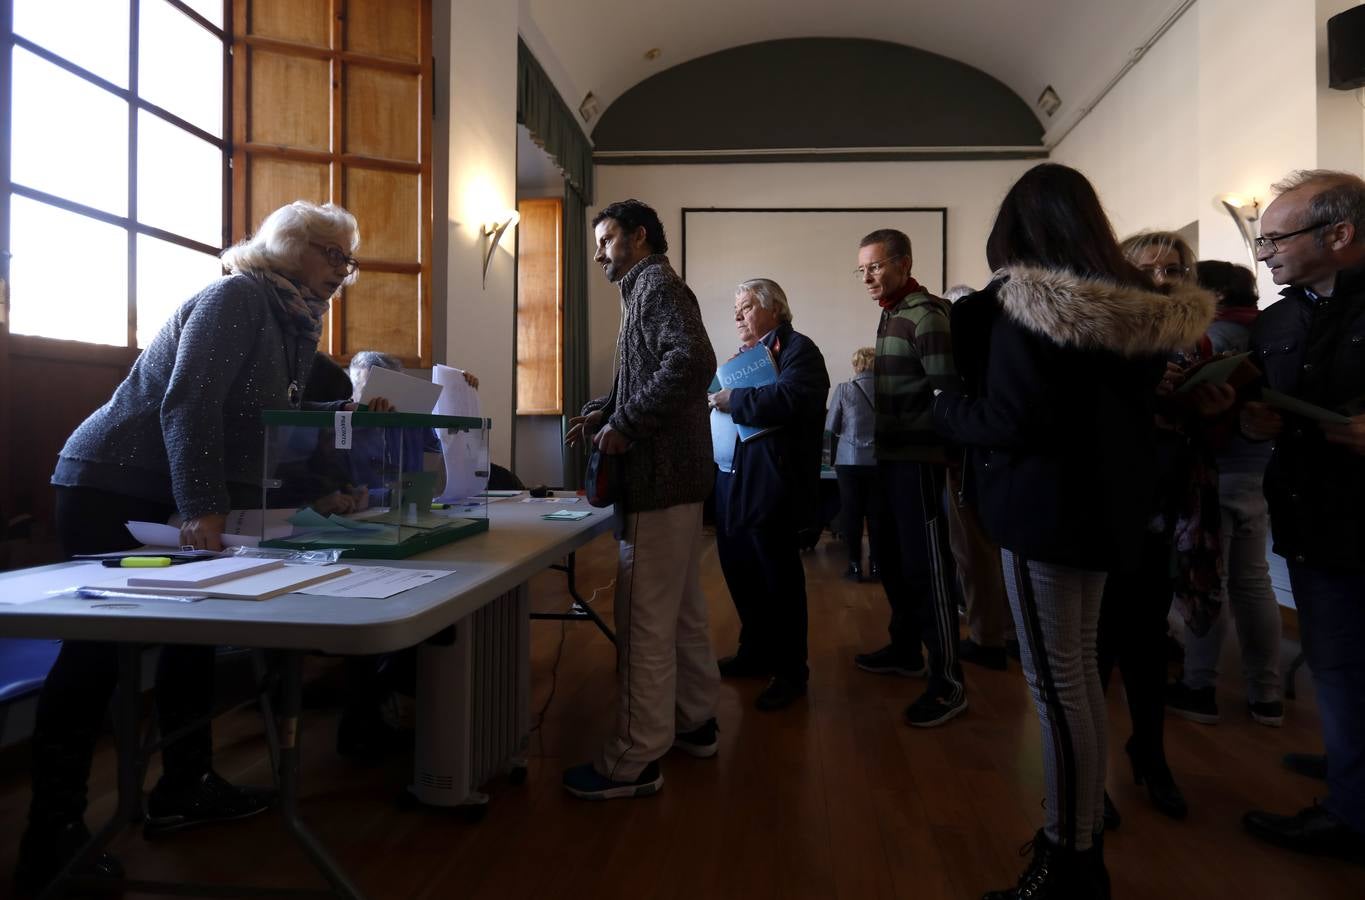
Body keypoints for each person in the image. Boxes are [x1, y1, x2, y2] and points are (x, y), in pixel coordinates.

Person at [16, 201, 373, 893]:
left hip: (172, 490)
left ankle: (185, 786)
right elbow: (190, 404)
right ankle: (49, 835)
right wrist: (203, 506)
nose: (342, 271)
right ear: (290, 245)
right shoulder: (238, 295)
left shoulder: (295, 320)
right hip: (114, 485)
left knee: (193, 641)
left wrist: (343, 422)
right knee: (94, 652)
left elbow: (268, 420)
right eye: (332, 254)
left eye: (347, 261)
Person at [933, 163, 1213, 898]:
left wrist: (943, 408)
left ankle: (1070, 860)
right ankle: (1078, 842)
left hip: (1043, 510)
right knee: (1079, 678)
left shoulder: (1024, 308)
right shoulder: (1134, 313)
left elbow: (1011, 421)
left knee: (1059, 685)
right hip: (1109, 509)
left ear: (1016, 233)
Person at [561, 199, 719, 800]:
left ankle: (633, 759)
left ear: (640, 237)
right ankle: (694, 721)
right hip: (675, 482)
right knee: (680, 613)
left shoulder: (655, 286)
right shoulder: (649, 289)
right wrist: (607, 408)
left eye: (606, 240)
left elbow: (693, 363)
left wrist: (625, 422)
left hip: (658, 481)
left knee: (643, 623)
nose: (599, 251)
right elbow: (650, 371)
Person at [1240, 169, 1365, 863]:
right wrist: (1257, 422)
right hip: (1311, 520)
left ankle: (1350, 817)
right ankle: (1352, 773)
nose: (1263, 255)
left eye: (1274, 239)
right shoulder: (1277, 320)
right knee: (1336, 664)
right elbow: (1268, 411)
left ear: (1338, 233)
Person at [851, 228, 967, 728]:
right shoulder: (891, 313)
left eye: (876, 266)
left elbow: (949, 396)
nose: (869, 278)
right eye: (862, 270)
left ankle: (949, 681)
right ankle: (905, 651)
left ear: (903, 262)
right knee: (893, 562)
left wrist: (949, 458)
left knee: (929, 570)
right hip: (889, 459)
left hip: (919, 462)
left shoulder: (927, 313)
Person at [1166, 261, 1284, 728]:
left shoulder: (1212, 337)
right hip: (1260, 469)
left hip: (1215, 471)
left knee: (1205, 576)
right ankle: (1267, 696)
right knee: (1255, 583)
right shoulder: (1270, 329)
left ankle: (1200, 686)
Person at [710, 278, 829, 711]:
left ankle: (791, 671)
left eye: (745, 307)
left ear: (774, 308)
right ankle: (755, 651)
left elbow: (794, 398)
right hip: (732, 480)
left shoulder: (801, 350)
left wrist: (733, 399)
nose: (737, 316)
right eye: (736, 309)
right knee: (739, 568)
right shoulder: (744, 358)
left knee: (778, 578)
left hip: (770, 485)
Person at [826, 347, 879, 582]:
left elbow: (832, 427)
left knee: (852, 513)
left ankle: (855, 565)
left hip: (849, 460)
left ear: (856, 365)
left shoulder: (844, 389)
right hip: (879, 461)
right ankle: (877, 565)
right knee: (877, 515)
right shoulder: (888, 391)